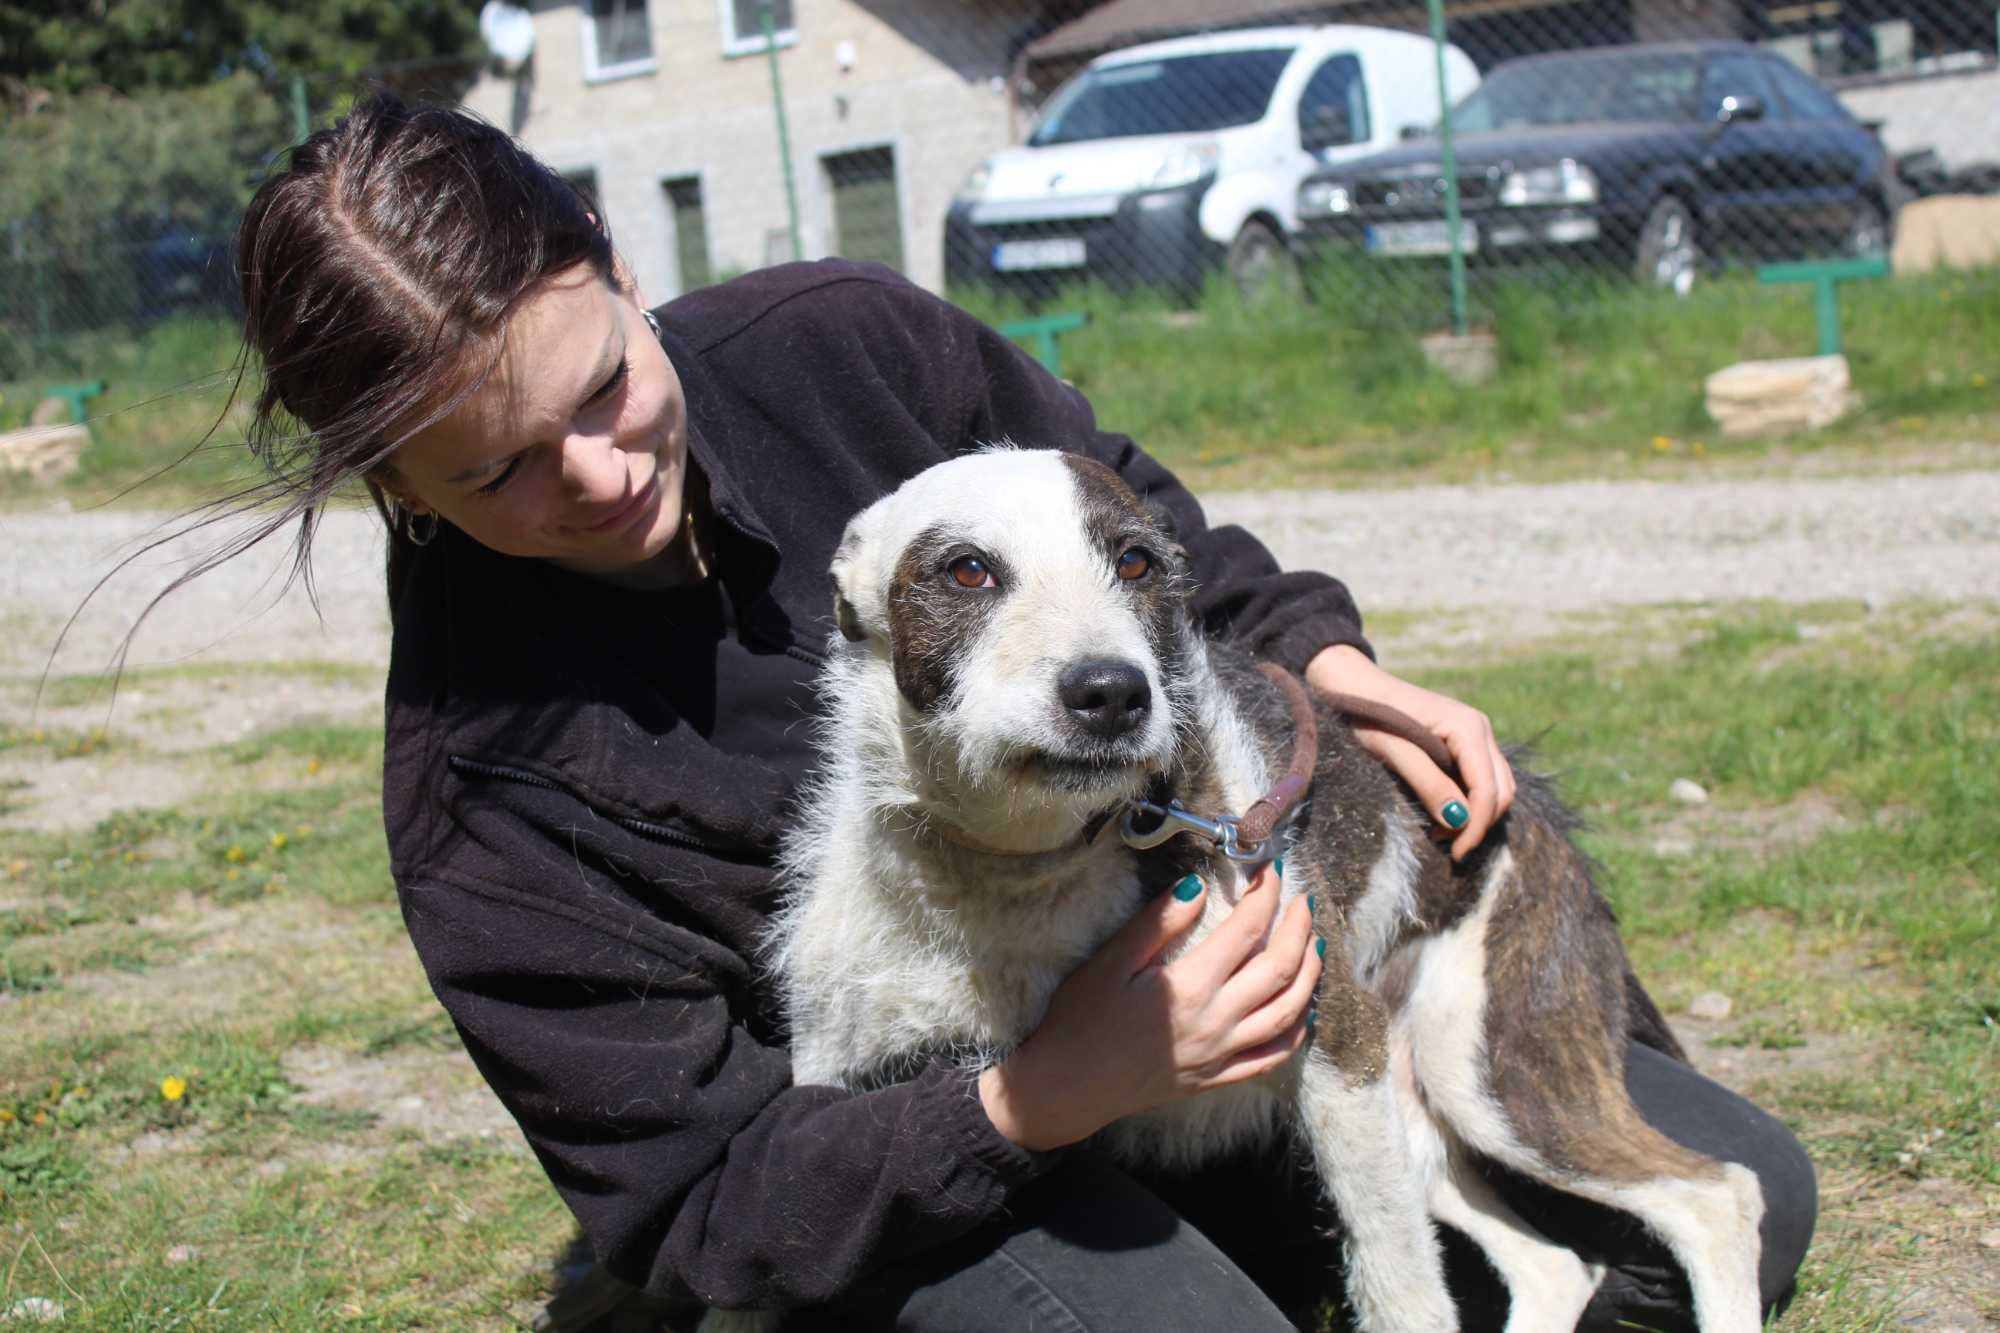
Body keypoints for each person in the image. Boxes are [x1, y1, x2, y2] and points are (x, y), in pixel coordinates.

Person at [212, 92, 1813, 1331]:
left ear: (623, 269)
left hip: (1212, 1050)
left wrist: (1330, 662)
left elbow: (1156, 536)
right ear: (387, 479)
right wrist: (1045, 1092)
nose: (603, 474)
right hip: (931, 1148)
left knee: (1750, 1206)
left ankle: (1269, 1236)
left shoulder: (844, 348)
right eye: (496, 469)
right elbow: (698, 1197)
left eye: (606, 386)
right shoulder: (479, 791)